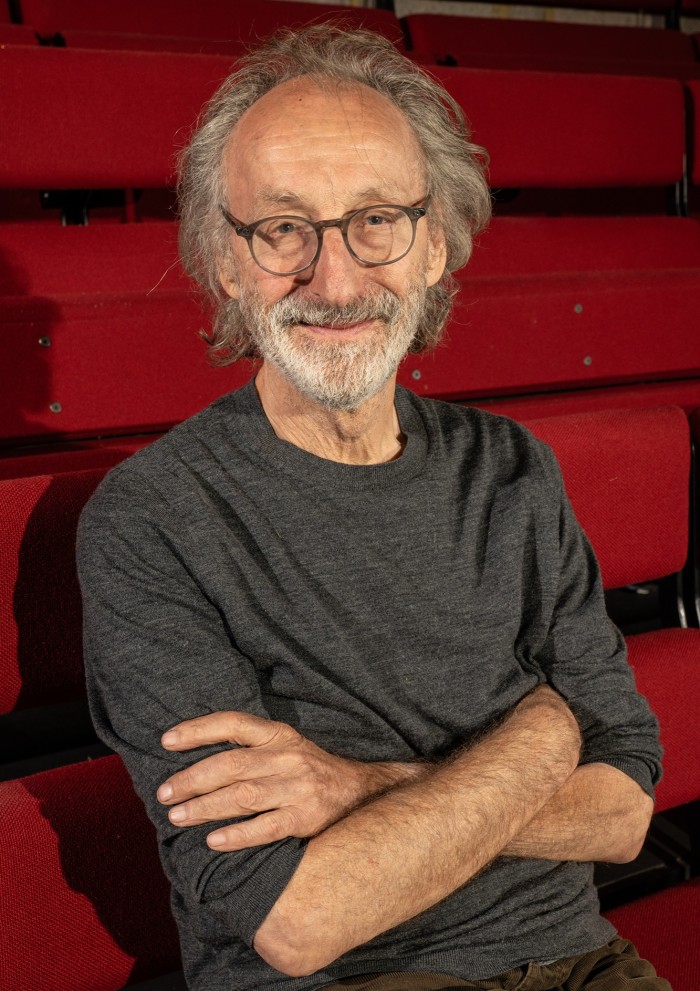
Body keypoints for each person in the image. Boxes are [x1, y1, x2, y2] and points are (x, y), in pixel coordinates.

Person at [77, 25, 668, 991]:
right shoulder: (153, 520)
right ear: (225, 262)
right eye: (283, 230)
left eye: (377, 220)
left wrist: (356, 784)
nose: (336, 277)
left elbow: (621, 814)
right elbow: (300, 917)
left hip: (579, 961)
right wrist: (542, 735)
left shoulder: (513, 468)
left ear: (435, 245)